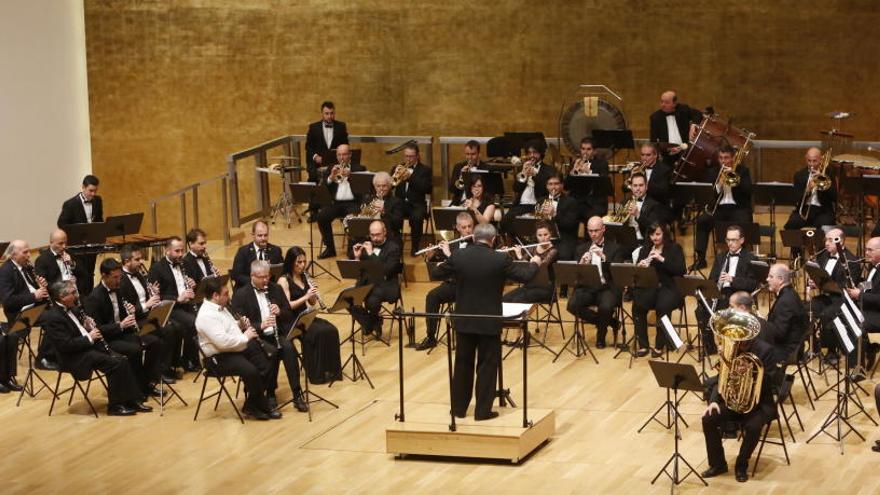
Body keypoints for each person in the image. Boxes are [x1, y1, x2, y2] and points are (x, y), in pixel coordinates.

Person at [430, 223, 540, 420]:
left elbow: (436, 273)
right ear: (493, 239)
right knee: (487, 366)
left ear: (473, 237)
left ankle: (458, 409)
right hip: (489, 321)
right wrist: (535, 263)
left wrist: (443, 263)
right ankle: (482, 411)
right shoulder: (500, 259)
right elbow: (526, 276)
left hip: (464, 319)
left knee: (463, 364)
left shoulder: (459, 256)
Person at [42, 280, 150, 416]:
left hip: (86, 348)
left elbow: (77, 330)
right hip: (74, 357)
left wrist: (87, 328)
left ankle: (131, 400)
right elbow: (66, 345)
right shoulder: (53, 317)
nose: (77, 295)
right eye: (73, 293)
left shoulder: (73, 309)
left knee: (122, 358)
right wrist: (90, 337)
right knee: (116, 363)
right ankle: (115, 406)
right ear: (62, 297)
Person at [700, 311, 780, 483]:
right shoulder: (731, 349)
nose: (737, 341)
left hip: (759, 404)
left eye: (741, 338)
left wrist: (750, 372)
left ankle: (741, 464)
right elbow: (722, 378)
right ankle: (718, 464)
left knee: (753, 427)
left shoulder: (765, 350)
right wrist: (714, 401)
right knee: (708, 419)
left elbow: (774, 380)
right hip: (733, 401)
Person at [195, 276, 280, 420]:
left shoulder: (222, 307)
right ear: (215, 296)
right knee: (251, 370)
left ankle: (252, 405)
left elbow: (229, 329)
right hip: (217, 358)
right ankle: (260, 405)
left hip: (233, 347)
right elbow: (222, 342)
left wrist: (239, 324)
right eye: (226, 294)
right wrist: (246, 336)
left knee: (268, 357)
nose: (229, 297)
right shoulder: (206, 316)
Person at [231, 260, 307, 412]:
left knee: (289, 350)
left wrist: (280, 311)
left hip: (277, 333)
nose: (266, 280)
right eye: (261, 277)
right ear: (252, 276)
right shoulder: (241, 294)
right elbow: (239, 321)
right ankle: (271, 394)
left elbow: (288, 313)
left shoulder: (276, 289)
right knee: (270, 353)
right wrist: (261, 325)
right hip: (257, 338)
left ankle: (297, 394)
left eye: (267, 276)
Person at [85, 258, 165, 398]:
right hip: (108, 339)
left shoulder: (118, 289)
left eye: (120, 277)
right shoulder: (94, 298)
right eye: (115, 277)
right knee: (135, 350)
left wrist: (130, 311)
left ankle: (147, 383)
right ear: (104, 276)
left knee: (155, 342)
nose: (118, 280)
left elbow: (123, 314)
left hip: (123, 333)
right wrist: (120, 325)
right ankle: (135, 390)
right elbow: (97, 329)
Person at [278, 246, 342, 383]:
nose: (302, 265)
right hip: (292, 320)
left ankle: (330, 370)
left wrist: (313, 294)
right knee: (317, 333)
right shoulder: (284, 280)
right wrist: (306, 296)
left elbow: (312, 303)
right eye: (299, 262)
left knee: (331, 330)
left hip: (305, 316)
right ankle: (316, 374)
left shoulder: (304, 277)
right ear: (291, 262)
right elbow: (287, 306)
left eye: (304, 262)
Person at [119, 245, 180, 382]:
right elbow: (126, 310)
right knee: (165, 332)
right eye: (138, 259)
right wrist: (147, 304)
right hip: (135, 321)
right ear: (127, 261)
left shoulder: (139, 274)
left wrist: (152, 292)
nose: (141, 262)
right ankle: (156, 373)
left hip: (147, 315)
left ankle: (166, 367)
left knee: (175, 327)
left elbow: (144, 295)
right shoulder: (121, 281)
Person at [695, 225, 759, 355]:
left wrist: (732, 279)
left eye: (734, 240)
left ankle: (734, 348)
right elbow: (712, 278)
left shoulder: (750, 258)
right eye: (728, 240)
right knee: (701, 309)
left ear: (742, 240)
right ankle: (709, 347)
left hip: (738, 295)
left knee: (728, 310)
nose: (730, 243)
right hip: (721, 293)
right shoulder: (720, 257)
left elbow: (752, 283)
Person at [418, 212, 475, 351]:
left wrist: (449, 254)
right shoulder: (452, 244)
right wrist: (431, 257)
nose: (468, 230)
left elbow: (467, 268)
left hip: (470, 287)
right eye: (464, 227)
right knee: (432, 296)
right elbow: (440, 269)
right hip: (453, 285)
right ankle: (431, 337)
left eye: (470, 226)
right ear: (457, 228)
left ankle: (466, 338)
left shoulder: (478, 244)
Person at [691, 145, 754, 270]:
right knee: (702, 221)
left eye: (726, 158)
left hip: (738, 208)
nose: (723, 161)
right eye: (721, 158)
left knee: (744, 221)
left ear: (733, 158)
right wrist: (719, 185)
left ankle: (743, 259)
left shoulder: (743, 171)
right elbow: (709, 196)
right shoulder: (713, 172)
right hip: (719, 209)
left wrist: (735, 179)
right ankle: (701, 259)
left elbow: (748, 191)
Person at [567, 217, 625, 348]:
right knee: (572, 305)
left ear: (603, 229)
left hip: (607, 287)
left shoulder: (615, 248)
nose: (593, 234)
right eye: (590, 231)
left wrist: (604, 258)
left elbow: (618, 272)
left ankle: (601, 337)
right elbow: (575, 275)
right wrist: (581, 264)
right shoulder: (581, 248)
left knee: (606, 307)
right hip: (588, 287)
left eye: (596, 231)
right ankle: (610, 322)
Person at [631, 222, 686, 357]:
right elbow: (638, 275)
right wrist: (640, 267)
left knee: (662, 307)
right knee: (637, 306)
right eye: (652, 234)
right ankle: (643, 345)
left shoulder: (674, 248)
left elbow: (680, 270)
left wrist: (661, 259)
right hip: (651, 287)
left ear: (664, 234)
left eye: (657, 234)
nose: (654, 238)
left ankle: (659, 345)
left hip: (670, 287)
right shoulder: (645, 249)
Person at [810, 228, 862, 365]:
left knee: (827, 314)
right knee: (805, 309)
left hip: (842, 300)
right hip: (826, 296)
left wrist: (824, 284)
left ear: (841, 241)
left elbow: (846, 287)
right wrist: (815, 281)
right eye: (825, 240)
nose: (826, 243)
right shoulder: (823, 256)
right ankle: (815, 348)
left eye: (830, 240)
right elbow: (820, 276)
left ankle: (832, 351)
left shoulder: (852, 261)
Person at [149, 237, 200, 372]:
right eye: (177, 251)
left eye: (182, 250)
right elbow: (157, 296)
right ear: (167, 250)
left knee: (202, 320)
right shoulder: (157, 268)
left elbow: (193, 285)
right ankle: (186, 361)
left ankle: (189, 358)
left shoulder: (185, 264)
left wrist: (193, 286)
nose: (180, 254)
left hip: (186, 304)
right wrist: (178, 298)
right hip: (171, 307)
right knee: (193, 322)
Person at [0, 240, 43, 391]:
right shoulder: (5, 271)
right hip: (19, 314)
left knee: (58, 314)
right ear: (13, 254)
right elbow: (8, 301)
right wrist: (34, 296)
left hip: (33, 308)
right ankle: (5, 378)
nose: (28, 255)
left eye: (28, 251)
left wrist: (41, 286)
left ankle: (47, 356)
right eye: (25, 252)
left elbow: (32, 289)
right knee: (7, 337)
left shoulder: (26, 268)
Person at [349, 220, 402, 338]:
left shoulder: (393, 248)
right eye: (372, 235)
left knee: (371, 301)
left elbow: (386, 271)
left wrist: (371, 254)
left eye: (378, 234)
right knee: (348, 299)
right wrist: (357, 258)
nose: (375, 238)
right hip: (366, 283)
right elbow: (358, 271)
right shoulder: (365, 245)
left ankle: (370, 323)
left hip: (386, 284)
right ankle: (372, 322)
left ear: (385, 232)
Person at [317, 144, 367, 258]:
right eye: (339, 155)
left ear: (350, 155)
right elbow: (323, 187)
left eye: (344, 154)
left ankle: (352, 249)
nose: (341, 157)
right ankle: (330, 249)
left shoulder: (359, 168)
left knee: (353, 219)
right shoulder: (331, 168)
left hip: (353, 203)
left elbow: (364, 187)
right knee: (321, 217)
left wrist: (351, 176)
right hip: (335, 204)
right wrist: (331, 177)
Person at [57, 174, 104, 295]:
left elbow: (99, 219)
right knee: (82, 275)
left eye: (95, 191)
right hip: (77, 246)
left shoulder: (98, 201)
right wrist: (78, 231)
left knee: (90, 273)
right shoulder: (70, 204)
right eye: (90, 190)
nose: (93, 194)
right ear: (83, 187)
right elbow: (61, 224)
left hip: (92, 245)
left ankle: (89, 297)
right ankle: (82, 298)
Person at [501, 140, 558, 235]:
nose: (532, 156)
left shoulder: (549, 170)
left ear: (540, 153)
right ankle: (514, 242)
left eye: (535, 152)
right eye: (529, 153)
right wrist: (523, 174)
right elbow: (516, 188)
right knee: (505, 221)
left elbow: (547, 190)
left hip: (538, 204)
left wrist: (536, 175)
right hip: (522, 205)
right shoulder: (523, 167)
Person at [305, 100, 349, 218]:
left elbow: (345, 145)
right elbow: (308, 147)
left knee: (340, 178)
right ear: (322, 114)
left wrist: (340, 158)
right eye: (327, 113)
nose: (329, 116)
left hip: (335, 163)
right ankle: (313, 211)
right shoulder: (313, 127)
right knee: (313, 178)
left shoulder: (341, 126)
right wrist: (315, 157)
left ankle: (336, 207)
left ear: (334, 113)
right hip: (317, 164)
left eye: (331, 113)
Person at [784, 147, 837, 240]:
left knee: (827, 226)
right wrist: (808, 190)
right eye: (809, 161)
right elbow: (796, 200)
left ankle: (822, 253)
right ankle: (796, 253)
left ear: (821, 159)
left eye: (814, 161)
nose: (811, 164)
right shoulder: (799, 175)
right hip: (804, 210)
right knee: (791, 224)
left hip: (823, 210)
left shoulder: (829, 173)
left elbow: (835, 197)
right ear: (806, 159)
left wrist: (822, 181)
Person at [843, 236, 880, 370]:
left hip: (877, 313)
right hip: (872, 308)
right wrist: (860, 287)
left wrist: (860, 295)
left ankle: (857, 369)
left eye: (870, 250)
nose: (866, 253)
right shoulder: (875, 266)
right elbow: (872, 283)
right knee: (844, 313)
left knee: (856, 324)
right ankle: (869, 347)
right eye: (866, 249)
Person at [391, 143, 432, 256]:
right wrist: (394, 176)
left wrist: (410, 177)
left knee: (416, 218)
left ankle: (415, 247)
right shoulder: (397, 168)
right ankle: (395, 246)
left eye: (411, 156)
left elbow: (427, 189)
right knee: (394, 216)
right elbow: (391, 186)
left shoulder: (425, 170)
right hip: (400, 203)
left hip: (417, 204)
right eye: (406, 156)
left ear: (417, 156)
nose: (408, 159)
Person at [764, 263, 807, 365]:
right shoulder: (790, 293)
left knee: (748, 347)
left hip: (786, 351)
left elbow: (779, 334)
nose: (767, 280)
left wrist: (762, 324)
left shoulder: (785, 301)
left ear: (780, 279)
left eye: (770, 277)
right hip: (790, 346)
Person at [34, 229, 89, 298]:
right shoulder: (41, 260)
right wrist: (64, 287)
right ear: (51, 242)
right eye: (60, 243)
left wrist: (72, 263)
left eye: (65, 243)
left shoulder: (70, 253)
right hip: (59, 295)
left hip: (77, 290)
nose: (64, 246)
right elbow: (44, 284)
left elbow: (84, 273)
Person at [649, 90, 702, 160]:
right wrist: (664, 151)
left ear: (674, 103)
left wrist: (693, 125)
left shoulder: (683, 109)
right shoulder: (655, 117)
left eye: (666, 102)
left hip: (687, 151)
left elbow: (698, 114)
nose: (663, 105)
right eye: (661, 101)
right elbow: (654, 140)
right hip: (668, 154)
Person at [230, 220, 283, 288]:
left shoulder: (276, 250)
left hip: (270, 288)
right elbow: (236, 275)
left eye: (265, 235)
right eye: (260, 235)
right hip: (249, 289)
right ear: (253, 235)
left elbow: (282, 271)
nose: (263, 238)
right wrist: (256, 282)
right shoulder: (243, 251)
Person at [566, 137, 610, 219]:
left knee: (590, 216)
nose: (585, 152)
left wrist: (589, 172)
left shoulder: (602, 164)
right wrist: (573, 171)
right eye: (583, 149)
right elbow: (566, 186)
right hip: (578, 201)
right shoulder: (575, 162)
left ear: (594, 151)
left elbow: (603, 185)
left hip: (595, 201)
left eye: (588, 149)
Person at [539, 174, 579, 261]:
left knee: (563, 255)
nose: (553, 187)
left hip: (563, 238)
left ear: (562, 185)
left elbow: (570, 225)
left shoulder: (571, 201)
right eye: (550, 184)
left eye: (556, 184)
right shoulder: (541, 201)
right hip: (544, 239)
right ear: (546, 186)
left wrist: (555, 215)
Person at [449, 140, 487, 206]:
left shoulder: (485, 168)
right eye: (467, 154)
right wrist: (462, 176)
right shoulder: (459, 167)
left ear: (479, 154)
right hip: (459, 202)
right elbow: (452, 190)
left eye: (473, 154)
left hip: (480, 203)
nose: (470, 157)